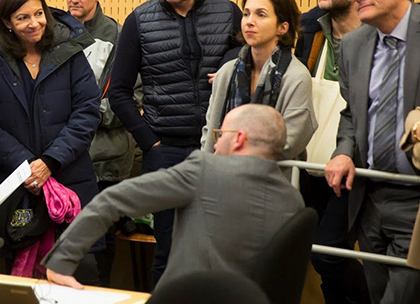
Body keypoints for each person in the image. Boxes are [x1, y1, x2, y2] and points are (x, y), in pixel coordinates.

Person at [42, 104, 304, 290]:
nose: (215, 144)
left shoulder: (205, 169)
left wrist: (61, 262)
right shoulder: (294, 202)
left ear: (238, 139)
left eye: (220, 135)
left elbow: (111, 200)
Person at [107, 0, 241, 285]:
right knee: (165, 252)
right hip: (163, 149)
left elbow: (251, 58)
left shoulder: (228, 12)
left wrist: (230, 61)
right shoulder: (139, 19)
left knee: (216, 251)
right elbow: (118, 92)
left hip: (216, 150)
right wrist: (150, 142)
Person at [0, 0, 101, 277]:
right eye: (22, 17)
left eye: (38, 14)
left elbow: (87, 112)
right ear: (7, 22)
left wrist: (50, 161)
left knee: (76, 272)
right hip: (11, 182)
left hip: (68, 177)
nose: (34, 23)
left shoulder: (70, 51)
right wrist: (27, 165)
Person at [324, 0, 420, 304]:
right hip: (369, 196)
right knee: (380, 303)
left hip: (416, 198)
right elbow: (352, 114)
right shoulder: (354, 44)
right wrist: (344, 151)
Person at [295, 0, 372, 304]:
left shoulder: (377, 39)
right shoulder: (309, 29)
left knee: (328, 254)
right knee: (316, 255)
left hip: (356, 165)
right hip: (309, 162)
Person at [58, 0, 138, 286]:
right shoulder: (56, 34)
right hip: (66, 159)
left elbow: (131, 97)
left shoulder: (119, 36)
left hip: (105, 162)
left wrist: (82, 117)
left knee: (98, 250)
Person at [201, 0, 316, 161]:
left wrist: (235, 153)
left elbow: (291, 141)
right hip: (222, 175)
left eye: (261, 15)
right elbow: (210, 132)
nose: (249, 21)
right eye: (246, 14)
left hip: (271, 179)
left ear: (282, 27)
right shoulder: (227, 72)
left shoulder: (296, 77)